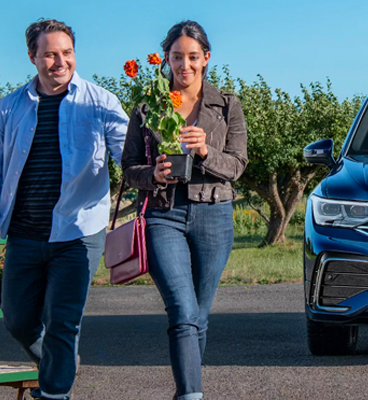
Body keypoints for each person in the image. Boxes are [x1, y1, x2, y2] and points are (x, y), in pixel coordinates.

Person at [0, 19, 128, 400]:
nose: (60, 62)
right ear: (32, 57)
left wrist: (161, 158)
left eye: (67, 53)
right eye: (50, 54)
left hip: (79, 231)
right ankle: (59, 368)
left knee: (62, 322)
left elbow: (131, 154)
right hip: (25, 232)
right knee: (18, 320)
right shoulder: (9, 108)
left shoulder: (101, 102)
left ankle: (55, 393)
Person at [121, 20, 247, 400]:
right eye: (178, 57)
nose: (185, 65)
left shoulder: (227, 105)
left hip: (213, 214)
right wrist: (152, 173)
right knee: (181, 308)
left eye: (193, 57)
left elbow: (238, 165)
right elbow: (128, 168)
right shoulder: (147, 107)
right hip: (164, 214)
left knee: (198, 315)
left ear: (206, 58)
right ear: (168, 60)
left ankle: (186, 390)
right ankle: (192, 396)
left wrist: (207, 151)